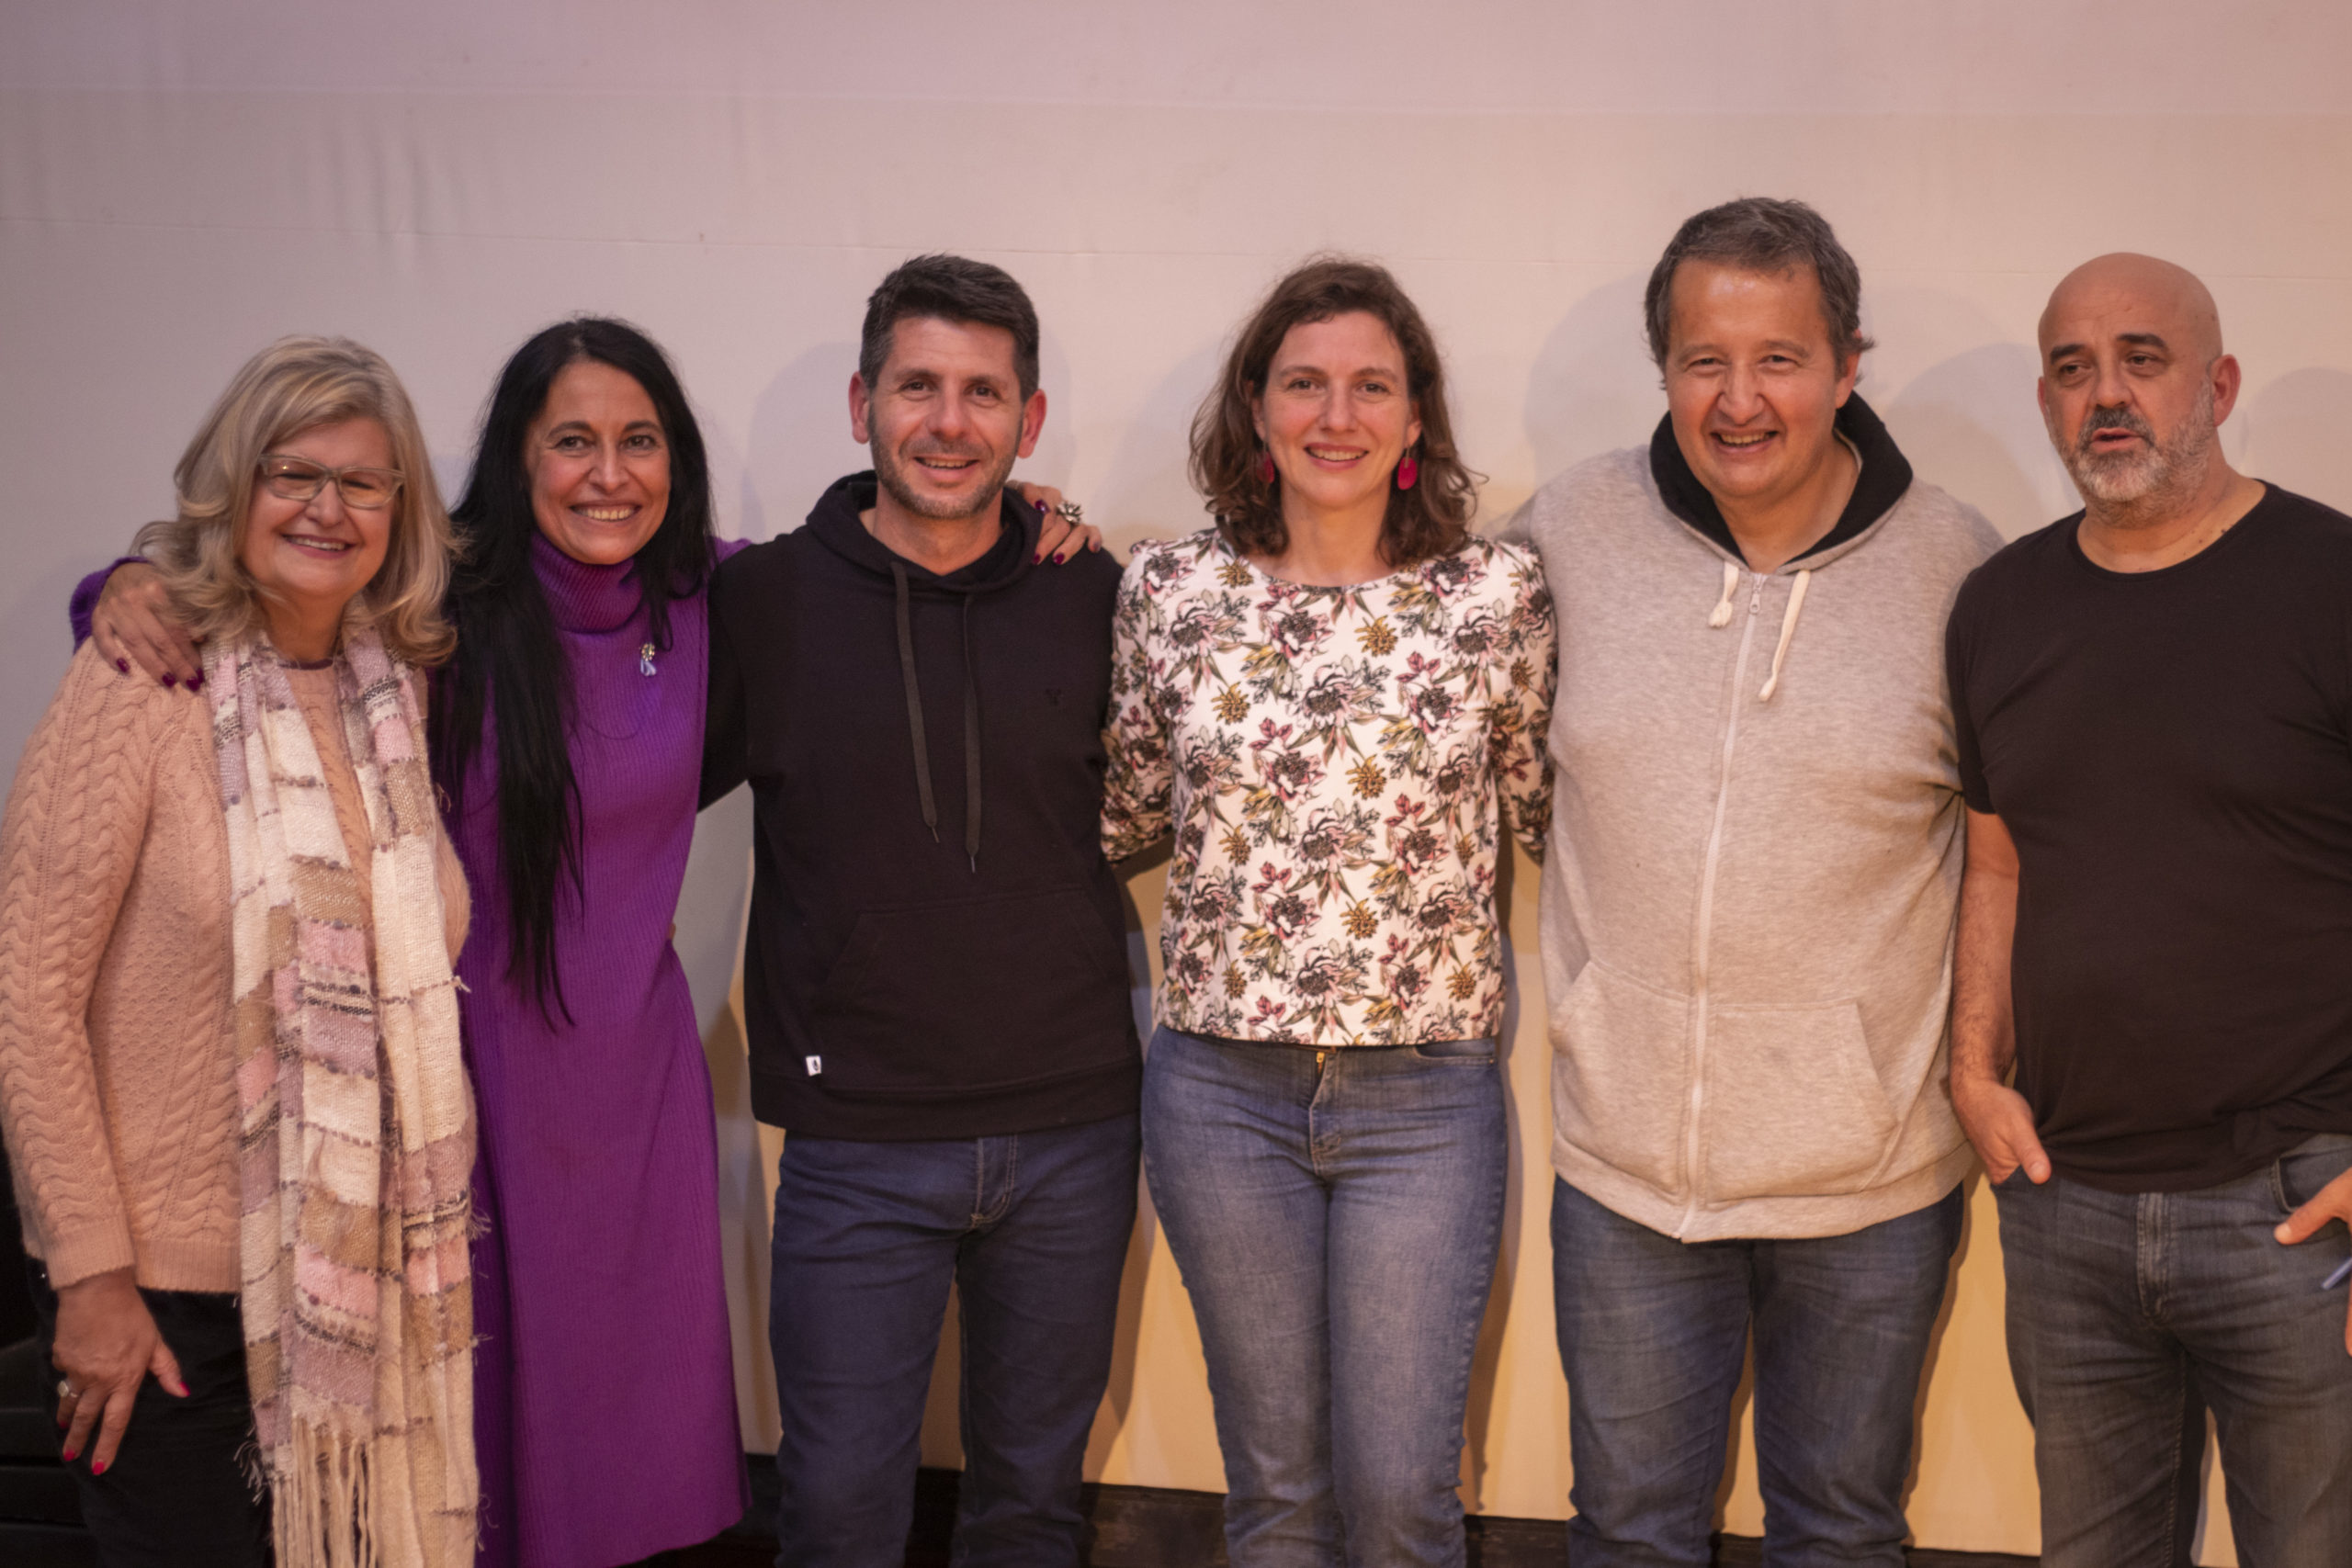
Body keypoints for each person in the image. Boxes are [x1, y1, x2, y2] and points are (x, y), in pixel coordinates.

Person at [74, 318, 1098, 1568]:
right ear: (519, 455)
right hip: (458, 1089)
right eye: (572, 441)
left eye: (640, 441)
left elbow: (899, 547)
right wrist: (120, 586)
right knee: (464, 1447)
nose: (609, 474)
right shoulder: (429, 607)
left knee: (623, 1458)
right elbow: (256, 613)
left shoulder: (716, 602)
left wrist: (1028, 509)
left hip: (635, 1085)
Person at [1502, 197, 2001, 1565]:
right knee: (1628, 1533)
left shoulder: (1960, 568)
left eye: (1779, 359)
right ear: (1663, 368)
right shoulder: (1571, 529)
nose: (1738, 401)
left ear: (1847, 368)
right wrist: (1035, 515)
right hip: (1626, 1172)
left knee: (1839, 1530)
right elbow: (1387, 613)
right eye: (1702, 361)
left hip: (1870, 1183)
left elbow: (2013, 851)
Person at [1101, 257, 1555, 1565]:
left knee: (1402, 1496)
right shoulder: (1171, 593)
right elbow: (1125, 813)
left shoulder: (1493, 599)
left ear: (1416, 419)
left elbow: (1548, 812)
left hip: (1423, 1099)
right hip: (1217, 1093)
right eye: (1304, 383)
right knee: (1276, 1492)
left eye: (1372, 387)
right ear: (1257, 407)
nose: (1337, 416)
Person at [0, 335, 476, 1567]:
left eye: (361, 482)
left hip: (361, 1285)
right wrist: (90, 1279)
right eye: (290, 472)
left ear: (400, 510)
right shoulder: (137, 680)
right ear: (235, 485)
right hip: (163, 1302)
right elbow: (29, 1001)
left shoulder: (395, 693)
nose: (326, 508)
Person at [699, 254, 1138, 1568]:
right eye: (917, 387)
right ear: (862, 404)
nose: (949, 422)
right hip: (857, 1142)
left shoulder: (1095, 593)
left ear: (1029, 420)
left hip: (1072, 1133)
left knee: (1031, 1511)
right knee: (837, 1515)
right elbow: (597, 692)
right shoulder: (762, 605)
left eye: (983, 393)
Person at [1948, 253, 2352, 1567]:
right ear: (2047, 402)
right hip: (2065, 1200)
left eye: (2143, 359)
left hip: (2295, 1201)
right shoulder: (2000, 607)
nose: (2106, 395)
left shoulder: (2330, 580)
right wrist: (1972, 1072)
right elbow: (1997, 864)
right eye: (2073, 369)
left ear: (2218, 385)